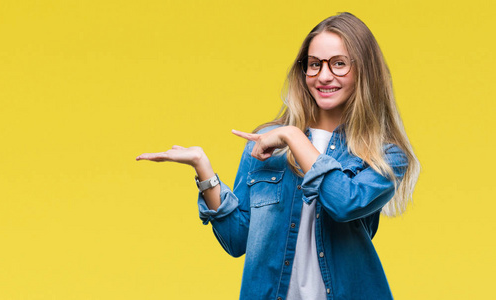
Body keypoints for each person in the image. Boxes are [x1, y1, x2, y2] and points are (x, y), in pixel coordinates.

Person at [136, 12, 419, 300]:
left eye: (339, 64)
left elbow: (343, 203)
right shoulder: (267, 144)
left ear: (364, 71)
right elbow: (237, 240)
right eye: (314, 65)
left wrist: (293, 136)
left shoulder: (385, 155)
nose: (323, 76)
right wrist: (203, 169)